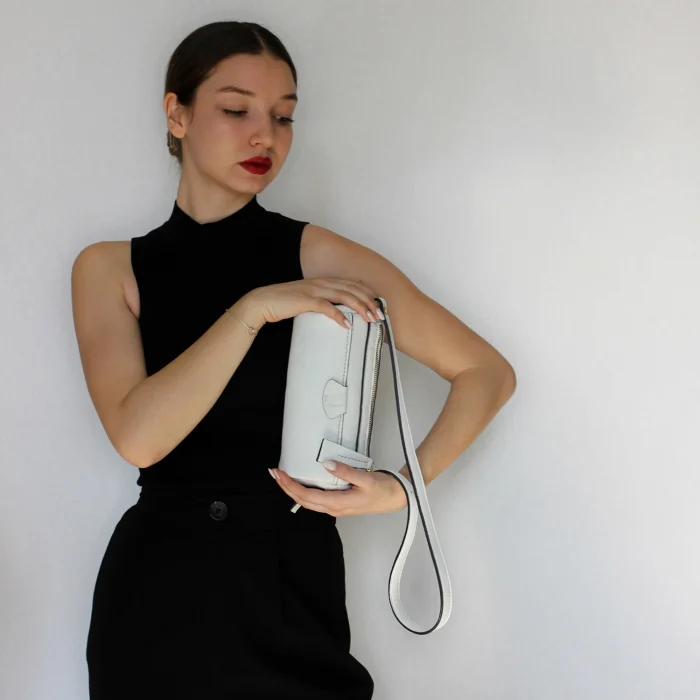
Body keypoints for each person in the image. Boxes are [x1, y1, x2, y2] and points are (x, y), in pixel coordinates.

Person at [71, 19, 516, 700]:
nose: (266, 137)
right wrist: (253, 309)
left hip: (289, 588)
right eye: (236, 110)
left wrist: (403, 489)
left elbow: (485, 373)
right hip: (159, 598)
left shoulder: (319, 256)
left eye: (283, 117)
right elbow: (139, 437)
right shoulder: (110, 268)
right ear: (177, 114)